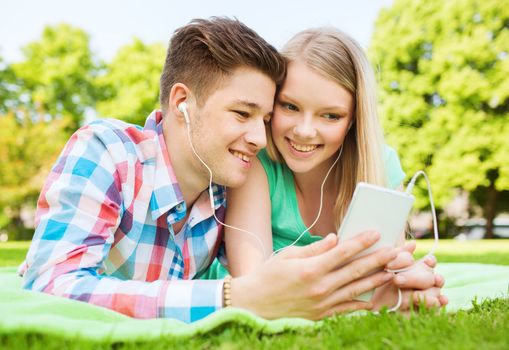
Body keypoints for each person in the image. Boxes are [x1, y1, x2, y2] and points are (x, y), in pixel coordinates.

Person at [19, 17, 404, 323]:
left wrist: (386, 287)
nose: (260, 138)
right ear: (182, 102)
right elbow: (50, 284)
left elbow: (276, 282)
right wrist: (228, 298)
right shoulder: (108, 152)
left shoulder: (223, 191)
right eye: (242, 113)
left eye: (266, 118)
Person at [207, 27, 448, 311]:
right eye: (290, 106)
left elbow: (382, 275)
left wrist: (403, 283)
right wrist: (371, 299)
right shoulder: (258, 161)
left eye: (331, 115)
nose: (305, 131)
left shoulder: (380, 163)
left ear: (354, 120)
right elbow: (254, 284)